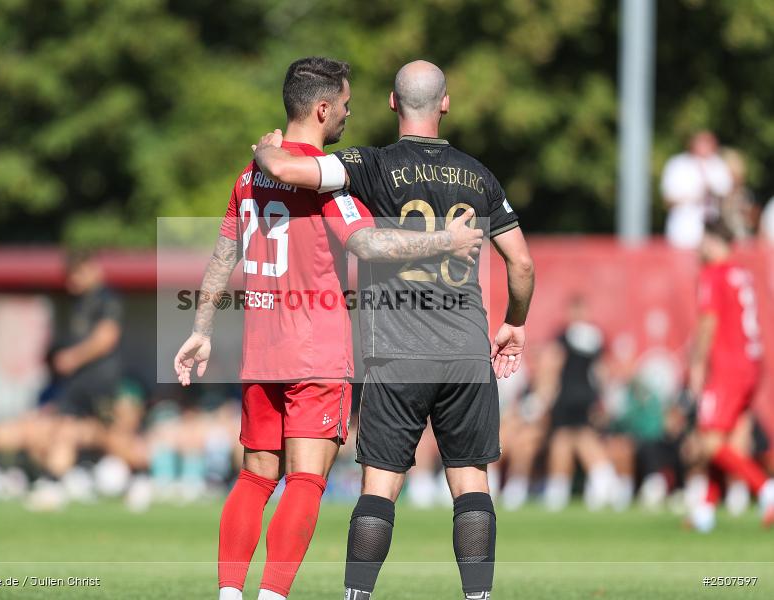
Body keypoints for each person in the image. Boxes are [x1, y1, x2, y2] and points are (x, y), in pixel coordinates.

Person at [173, 57, 483, 600]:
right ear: (321, 108)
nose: (347, 114)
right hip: (315, 351)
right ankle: (272, 595)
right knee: (308, 480)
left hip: (260, 350)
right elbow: (367, 243)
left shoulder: (251, 173)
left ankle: (229, 594)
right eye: (344, 105)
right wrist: (447, 242)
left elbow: (223, 254)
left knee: (253, 478)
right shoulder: (324, 179)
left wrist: (201, 328)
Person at [254, 59, 535, 600]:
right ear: (445, 103)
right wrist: (515, 323)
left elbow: (291, 171)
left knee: (379, 487)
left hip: (394, 353)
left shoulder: (371, 163)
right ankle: (479, 596)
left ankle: (357, 596)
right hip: (464, 352)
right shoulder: (479, 175)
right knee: (470, 481)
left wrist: (266, 151)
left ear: (391, 102)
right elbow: (520, 265)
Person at [687, 219, 774, 532]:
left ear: (712, 241)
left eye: (702, 241)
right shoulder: (742, 273)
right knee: (725, 444)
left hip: (728, 365)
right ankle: (705, 511)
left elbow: (708, 322)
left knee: (709, 442)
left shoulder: (712, 274)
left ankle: (765, 489)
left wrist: (697, 366)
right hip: (752, 362)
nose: (699, 249)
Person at [541, 296, 617, 512]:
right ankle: (601, 481)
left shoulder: (565, 337)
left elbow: (553, 365)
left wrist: (545, 395)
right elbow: (602, 370)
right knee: (570, 439)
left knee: (568, 439)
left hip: (569, 396)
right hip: (584, 396)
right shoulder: (594, 337)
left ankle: (560, 489)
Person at [660, 131, 733, 249]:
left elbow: (727, 192)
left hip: (713, 228)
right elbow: (668, 199)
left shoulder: (717, 164)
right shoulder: (678, 165)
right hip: (685, 227)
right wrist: (694, 196)